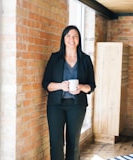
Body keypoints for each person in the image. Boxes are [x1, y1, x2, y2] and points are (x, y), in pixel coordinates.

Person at [42, 25, 96, 160]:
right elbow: (46, 84)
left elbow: (91, 86)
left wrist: (81, 88)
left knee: (73, 142)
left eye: (75, 36)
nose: (72, 39)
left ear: (79, 40)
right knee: (56, 142)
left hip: (77, 106)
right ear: (63, 39)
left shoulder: (85, 59)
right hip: (55, 106)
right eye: (68, 36)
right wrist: (61, 86)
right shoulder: (55, 58)